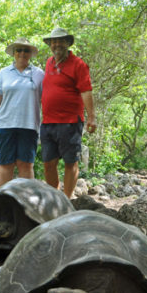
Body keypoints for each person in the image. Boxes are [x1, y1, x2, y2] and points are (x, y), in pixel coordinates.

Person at [40, 27, 96, 198]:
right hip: (48, 122)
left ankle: (67, 199)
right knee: (49, 163)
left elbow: (86, 91)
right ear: (50, 44)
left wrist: (92, 118)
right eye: (53, 41)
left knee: (70, 162)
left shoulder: (78, 64)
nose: (56, 44)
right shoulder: (49, 63)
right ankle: (55, 198)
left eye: (60, 41)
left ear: (67, 43)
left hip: (70, 122)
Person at [0, 37, 45, 187]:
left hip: (29, 125)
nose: (22, 53)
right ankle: (3, 203)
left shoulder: (39, 74)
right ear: (14, 53)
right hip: (4, 124)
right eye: (18, 50)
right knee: (6, 165)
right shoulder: (4, 73)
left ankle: (26, 204)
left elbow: (46, 100)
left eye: (26, 50)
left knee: (26, 165)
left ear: (31, 53)